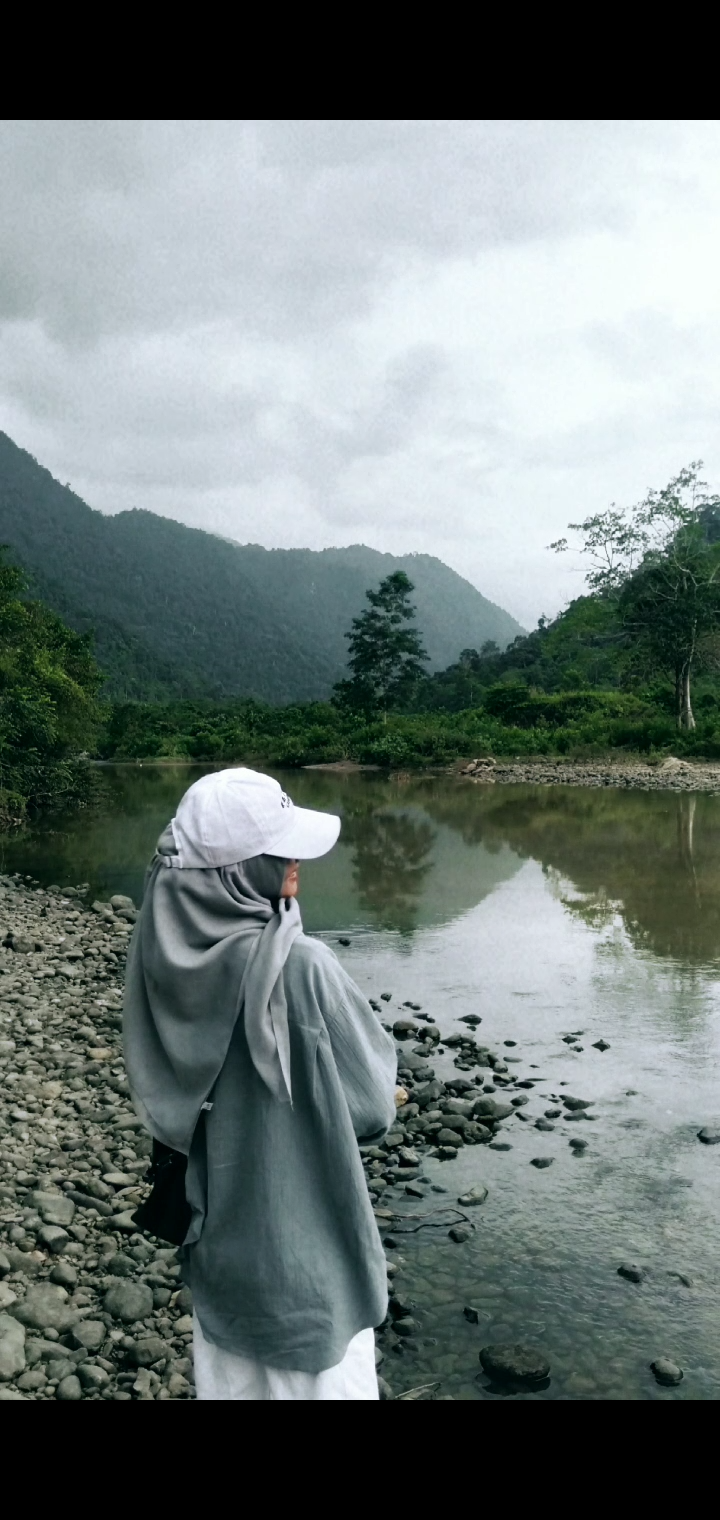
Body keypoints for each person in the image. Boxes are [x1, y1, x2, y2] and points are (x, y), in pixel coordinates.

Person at [123, 766, 403, 1400]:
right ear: (235, 871)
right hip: (305, 1263)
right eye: (279, 851)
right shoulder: (299, 966)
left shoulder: (163, 955)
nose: (298, 862)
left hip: (221, 1253)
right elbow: (371, 1108)